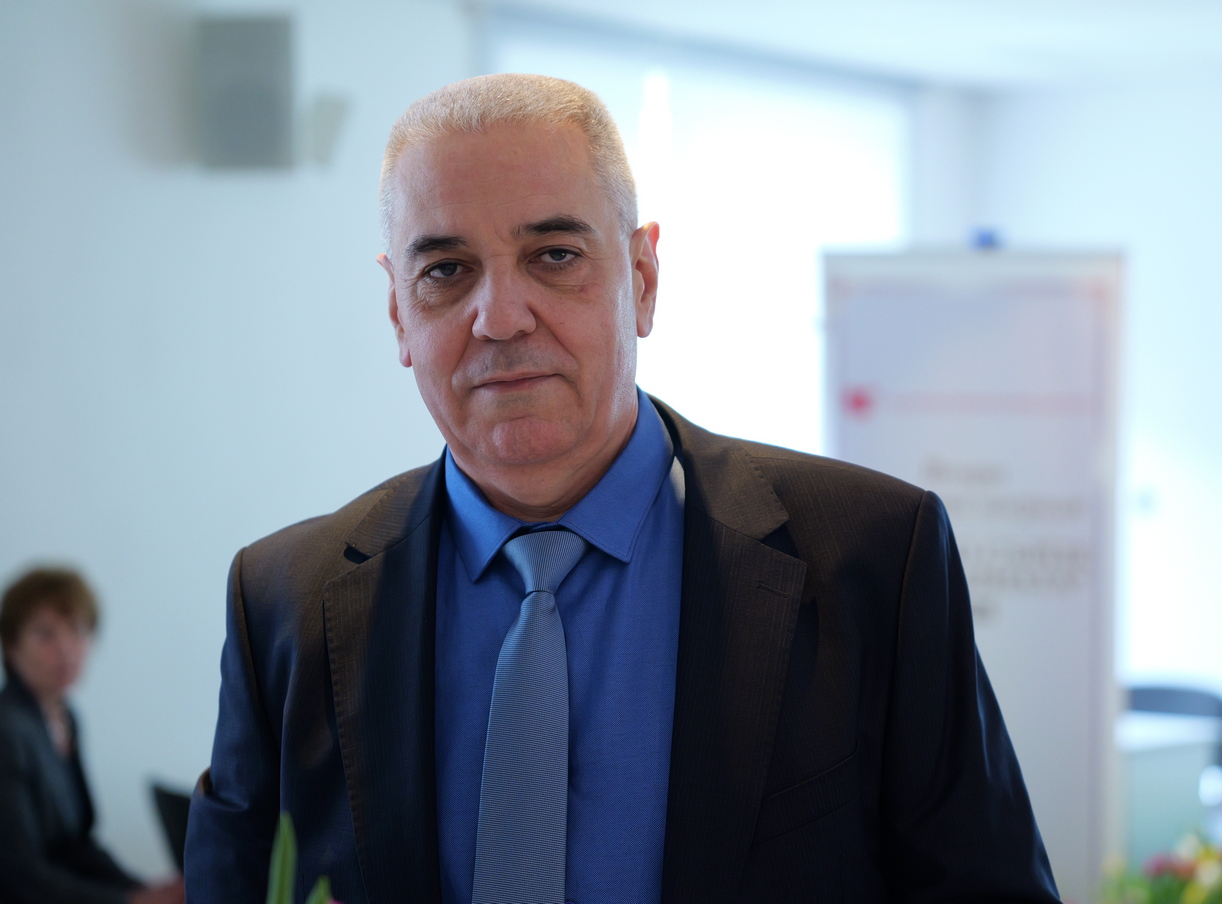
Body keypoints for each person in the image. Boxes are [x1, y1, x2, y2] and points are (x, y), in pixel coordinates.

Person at [183, 74, 1060, 904]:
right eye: (446, 271)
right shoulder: (283, 603)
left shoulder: (874, 558)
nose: (500, 317)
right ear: (397, 314)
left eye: (554, 255)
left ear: (642, 280)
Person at [0, 567, 185, 904]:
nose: (66, 649)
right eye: (45, 634)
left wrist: (140, 888)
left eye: (77, 630)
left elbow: (77, 845)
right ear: (12, 646)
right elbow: (18, 875)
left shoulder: (65, 717)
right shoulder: (7, 729)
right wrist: (130, 901)